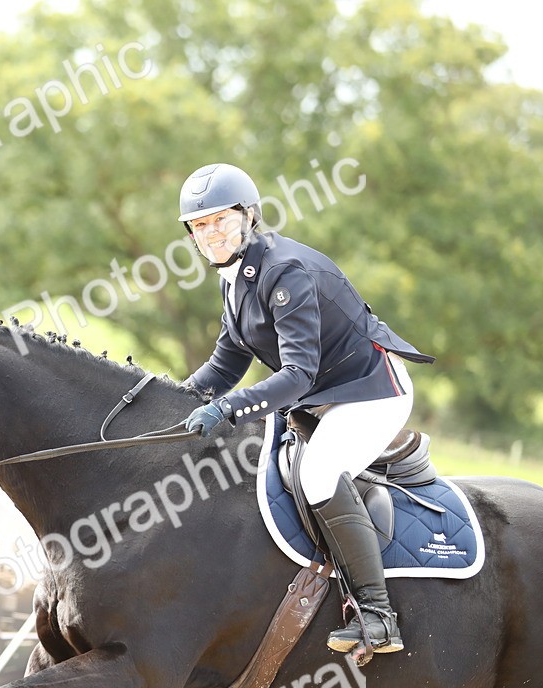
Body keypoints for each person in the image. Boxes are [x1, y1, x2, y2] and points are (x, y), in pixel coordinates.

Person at [177, 163, 434, 656]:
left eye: (219, 220)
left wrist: (227, 409)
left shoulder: (284, 272)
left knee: (317, 474)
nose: (209, 234)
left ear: (248, 216)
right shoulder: (235, 276)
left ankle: (378, 616)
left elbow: (296, 374)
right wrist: (173, 403)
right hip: (323, 396)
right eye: (199, 225)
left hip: (370, 393)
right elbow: (225, 364)